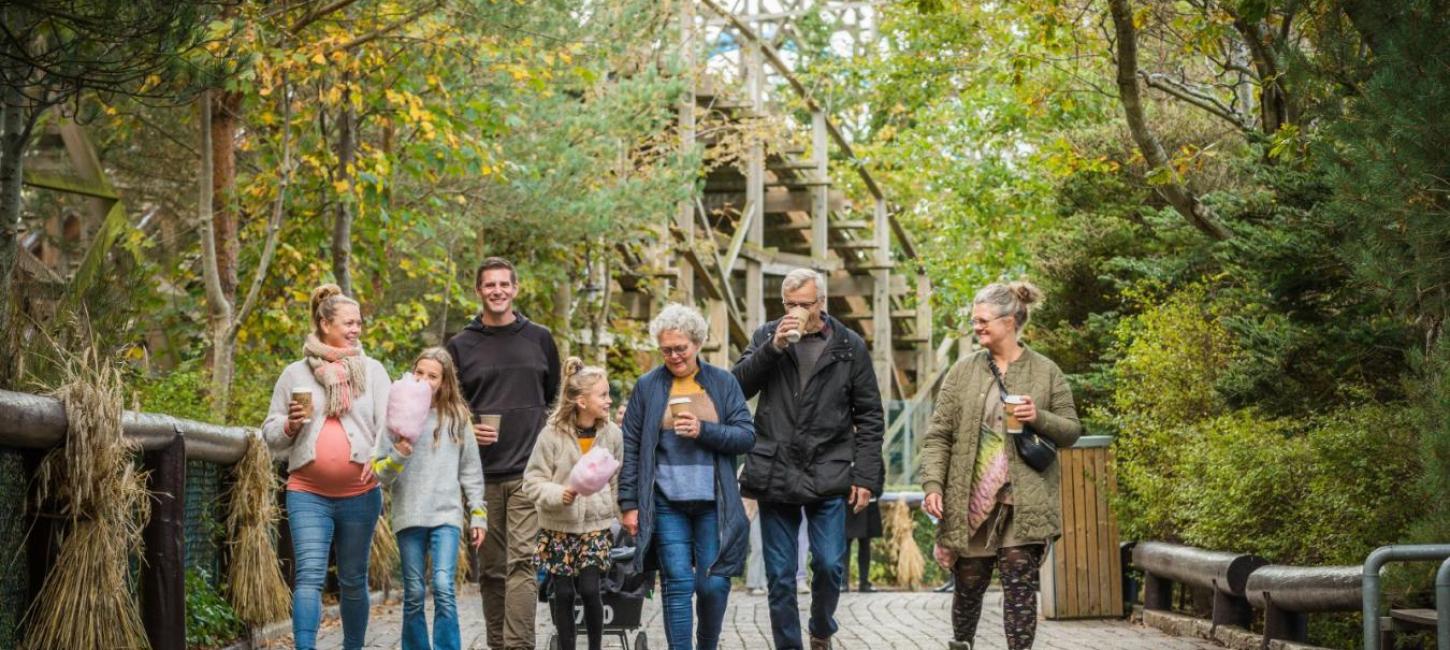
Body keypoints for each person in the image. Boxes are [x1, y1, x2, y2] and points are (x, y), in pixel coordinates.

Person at [919, 281, 1082, 650]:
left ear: (1009, 322)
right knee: (970, 582)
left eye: (983, 321)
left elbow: (1071, 430)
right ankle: (962, 642)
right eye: (974, 321)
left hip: (1023, 500)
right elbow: (938, 435)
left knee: (1019, 584)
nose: (976, 327)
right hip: (971, 498)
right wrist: (932, 485)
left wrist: (1038, 416)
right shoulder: (963, 372)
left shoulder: (1046, 372)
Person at [731, 268, 885, 650]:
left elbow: (869, 416)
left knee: (831, 565)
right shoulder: (768, 336)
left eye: (805, 304)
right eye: (790, 304)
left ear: (822, 303)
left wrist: (864, 477)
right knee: (780, 576)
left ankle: (820, 627)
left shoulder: (849, 346)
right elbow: (736, 387)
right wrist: (773, 348)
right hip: (775, 470)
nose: (797, 311)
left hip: (828, 469)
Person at [617, 303, 756, 650]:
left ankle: (707, 643)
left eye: (681, 348)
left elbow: (745, 435)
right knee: (677, 582)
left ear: (697, 343)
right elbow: (631, 445)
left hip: (714, 501)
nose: (674, 356)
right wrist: (629, 502)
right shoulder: (648, 386)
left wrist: (704, 430)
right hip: (665, 502)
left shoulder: (722, 383)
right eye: (667, 350)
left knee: (713, 583)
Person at [261, 283, 391, 650]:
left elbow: (390, 428)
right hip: (308, 493)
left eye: (359, 323)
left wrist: (379, 463)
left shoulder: (373, 371)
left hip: (361, 495)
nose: (356, 330)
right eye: (348, 323)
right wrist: (290, 425)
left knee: (353, 579)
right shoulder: (294, 374)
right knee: (309, 576)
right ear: (323, 323)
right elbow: (269, 433)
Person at [446, 256, 561, 650]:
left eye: (504, 284)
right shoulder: (460, 345)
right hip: (481, 475)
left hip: (530, 472)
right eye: (489, 285)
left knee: (523, 564)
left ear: (515, 289)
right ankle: (498, 643)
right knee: (492, 570)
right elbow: (448, 406)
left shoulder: (540, 338)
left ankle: (519, 645)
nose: (497, 291)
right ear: (478, 291)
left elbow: (552, 397)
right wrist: (467, 427)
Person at [372, 348, 488, 650]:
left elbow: (471, 471)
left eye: (432, 376)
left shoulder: (457, 418)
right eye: (419, 373)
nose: (424, 379)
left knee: (442, 586)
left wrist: (478, 514)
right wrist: (400, 453)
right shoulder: (396, 418)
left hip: (446, 515)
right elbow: (379, 473)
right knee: (413, 591)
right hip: (409, 513)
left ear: (445, 382)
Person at [523, 357, 623, 650]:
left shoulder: (612, 435)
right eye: (603, 395)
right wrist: (559, 494)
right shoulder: (551, 435)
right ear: (581, 401)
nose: (609, 400)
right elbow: (533, 481)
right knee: (564, 593)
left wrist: (621, 514)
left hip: (595, 525)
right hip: (558, 527)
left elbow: (616, 480)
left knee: (592, 589)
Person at [841, 498, 882, 592]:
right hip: (848, 500)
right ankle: (843, 582)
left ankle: (864, 583)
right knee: (846, 542)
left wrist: (873, 491)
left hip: (868, 500)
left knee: (865, 543)